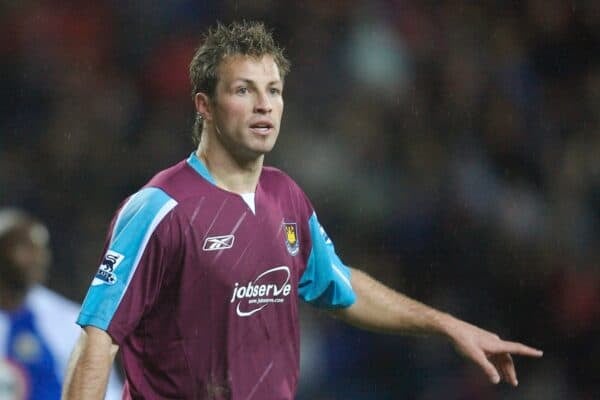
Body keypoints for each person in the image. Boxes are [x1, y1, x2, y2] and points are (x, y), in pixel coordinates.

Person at [62, 21, 543, 399]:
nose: (264, 106)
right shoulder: (160, 208)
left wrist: (446, 325)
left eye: (273, 90)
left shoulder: (285, 197)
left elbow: (340, 285)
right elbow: (95, 341)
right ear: (203, 106)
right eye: (243, 90)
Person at [0, 208, 122, 399]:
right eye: (25, 248)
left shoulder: (67, 320)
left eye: (41, 249)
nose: (38, 258)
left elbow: (106, 389)